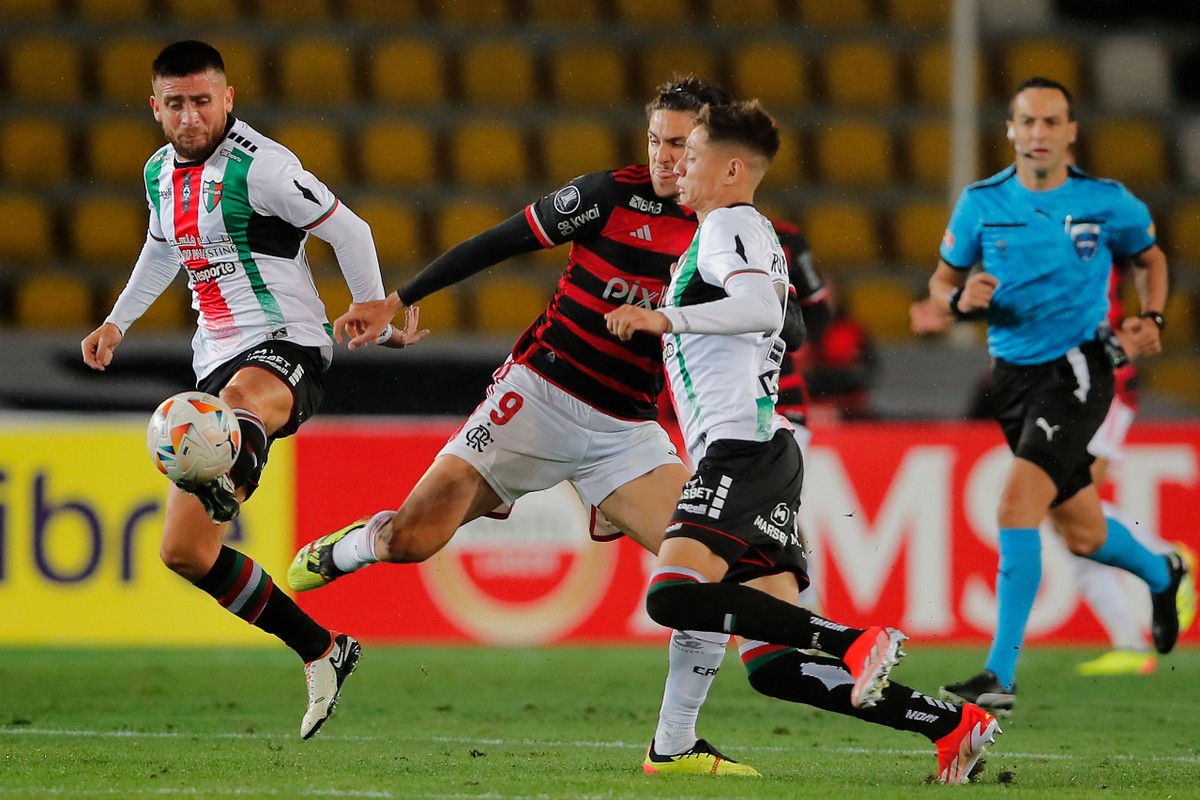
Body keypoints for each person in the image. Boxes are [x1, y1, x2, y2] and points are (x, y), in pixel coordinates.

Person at [288, 75, 779, 776]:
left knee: (703, 573)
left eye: (682, 143)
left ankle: (673, 746)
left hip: (625, 431)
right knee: (413, 538)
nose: (667, 156)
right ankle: (353, 547)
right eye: (657, 141)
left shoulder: (725, 230)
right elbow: (499, 243)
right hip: (538, 396)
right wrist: (394, 298)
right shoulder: (609, 196)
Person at [605, 99, 1000, 785]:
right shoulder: (744, 231)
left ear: (731, 169)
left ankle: (852, 643)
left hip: (743, 450)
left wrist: (660, 318)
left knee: (671, 595)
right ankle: (951, 725)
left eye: (691, 155)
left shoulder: (729, 224)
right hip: (760, 450)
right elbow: (779, 326)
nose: (678, 166)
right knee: (775, 665)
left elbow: (761, 310)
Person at [80, 40, 425, 740]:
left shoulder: (261, 167)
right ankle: (323, 649)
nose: (189, 116)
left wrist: (370, 306)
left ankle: (239, 466)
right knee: (185, 552)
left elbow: (349, 229)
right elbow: (161, 247)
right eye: (174, 104)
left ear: (228, 98)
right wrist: (117, 321)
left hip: (285, 344)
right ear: (156, 107)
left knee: (238, 403)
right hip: (215, 365)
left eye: (202, 101)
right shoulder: (158, 174)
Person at [926, 76, 1195, 715]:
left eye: (1053, 122)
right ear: (1012, 130)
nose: (1040, 133)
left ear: (1071, 131)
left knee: (1016, 507)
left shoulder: (1107, 201)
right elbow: (941, 283)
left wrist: (1151, 317)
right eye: (1029, 122)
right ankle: (1163, 574)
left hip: (1077, 370)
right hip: (1010, 378)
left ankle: (999, 675)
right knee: (1079, 531)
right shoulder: (980, 202)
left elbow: (1151, 259)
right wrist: (961, 302)